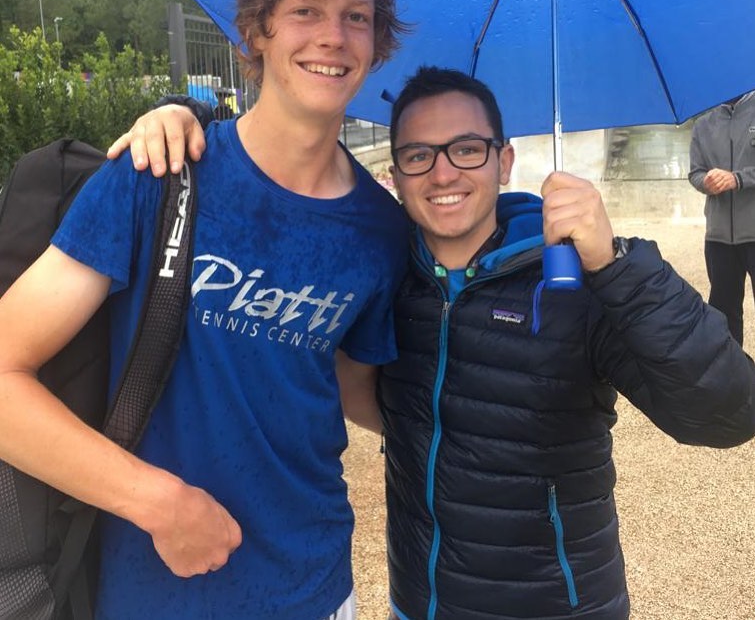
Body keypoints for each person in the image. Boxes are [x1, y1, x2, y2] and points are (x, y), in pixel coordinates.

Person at [116, 66, 755, 620]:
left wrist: (615, 264)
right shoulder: (386, 270)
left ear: (504, 161)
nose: (443, 171)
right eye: (420, 154)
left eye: (467, 149)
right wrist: (187, 118)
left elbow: (726, 415)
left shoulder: (578, 279)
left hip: (556, 607)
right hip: (419, 601)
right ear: (395, 174)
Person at [0, 0, 410, 619]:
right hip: (153, 591)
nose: (333, 37)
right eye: (306, 11)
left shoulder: (380, 228)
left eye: (356, 15)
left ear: (378, 39)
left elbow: (353, 387)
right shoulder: (156, 174)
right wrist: (156, 501)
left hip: (316, 588)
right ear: (255, 28)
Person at [688, 90, 755, 346]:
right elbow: (695, 173)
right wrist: (705, 182)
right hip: (718, 238)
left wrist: (737, 179)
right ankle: (733, 378)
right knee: (723, 314)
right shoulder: (703, 124)